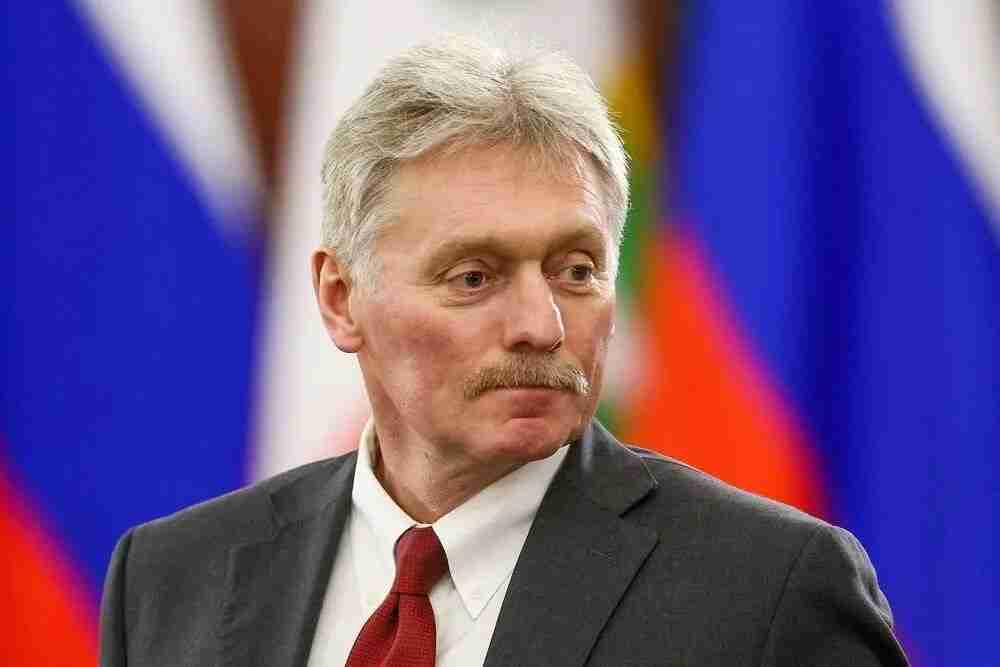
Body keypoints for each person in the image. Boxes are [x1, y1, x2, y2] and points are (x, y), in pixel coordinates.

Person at [99, 35, 909, 666]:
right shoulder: (170, 577)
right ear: (341, 299)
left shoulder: (768, 590)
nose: (542, 325)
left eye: (576, 270)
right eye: (475, 277)